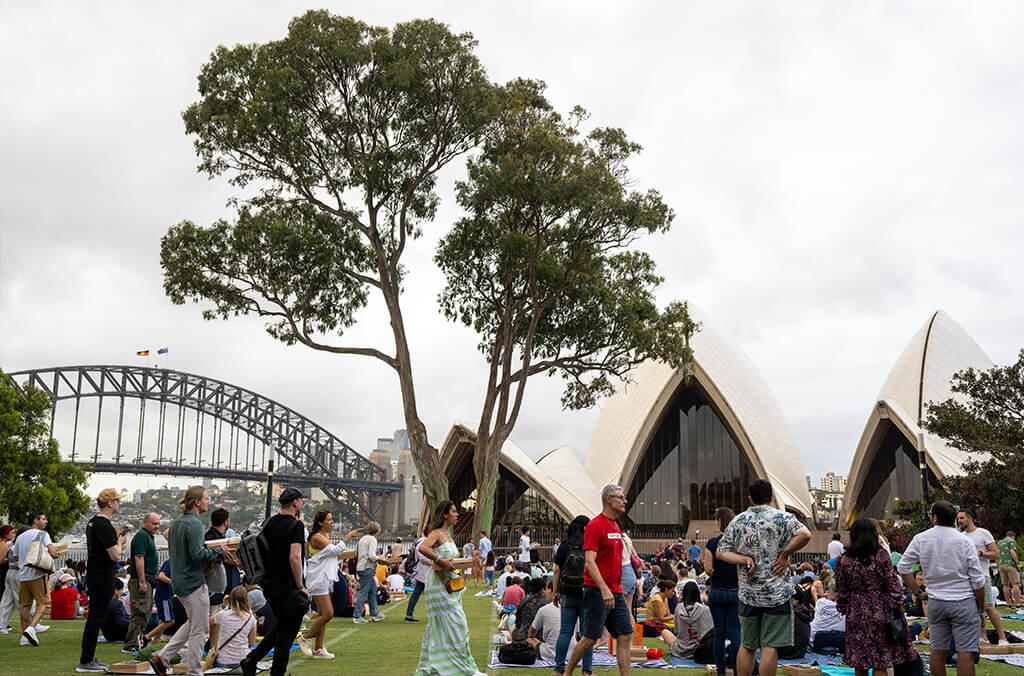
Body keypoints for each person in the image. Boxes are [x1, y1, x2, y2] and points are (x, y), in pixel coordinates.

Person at [716, 479, 812, 676]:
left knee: (747, 644)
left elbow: (721, 552)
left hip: (748, 593)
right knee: (770, 646)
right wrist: (785, 554)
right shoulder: (783, 518)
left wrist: (743, 559)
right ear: (771, 497)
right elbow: (805, 534)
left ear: (750, 498)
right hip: (776, 593)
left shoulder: (739, 521)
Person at [149, 486, 233, 676]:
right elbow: (197, 554)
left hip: (179, 582)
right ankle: (195, 671)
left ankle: (162, 658)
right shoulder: (195, 524)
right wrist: (219, 552)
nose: (208, 501)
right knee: (200, 630)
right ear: (197, 502)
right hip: (194, 582)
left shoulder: (176, 524)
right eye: (206, 498)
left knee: (193, 624)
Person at [898, 500, 987, 676]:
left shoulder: (921, 538)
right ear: (954, 518)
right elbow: (977, 580)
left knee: (938, 651)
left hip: (936, 600)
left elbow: (903, 567)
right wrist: (981, 608)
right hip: (963, 600)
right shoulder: (964, 541)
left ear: (934, 517)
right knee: (966, 652)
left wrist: (918, 592)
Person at [238, 487, 309, 676]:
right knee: (287, 634)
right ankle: (274, 671)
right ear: (295, 503)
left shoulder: (269, 523)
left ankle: (252, 659)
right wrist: (300, 586)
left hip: (270, 584)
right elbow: (295, 557)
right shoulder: (296, 526)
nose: (301, 504)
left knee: (282, 627)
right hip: (288, 585)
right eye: (301, 501)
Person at [565, 484, 634, 676]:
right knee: (590, 638)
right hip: (597, 591)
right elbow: (589, 561)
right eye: (620, 497)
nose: (624, 501)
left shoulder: (615, 525)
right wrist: (604, 589)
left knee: (625, 634)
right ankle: (567, 673)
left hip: (616, 591)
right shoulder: (596, 525)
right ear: (609, 499)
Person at [834, 518, 916, 675]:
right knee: (880, 661)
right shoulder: (881, 556)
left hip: (856, 611)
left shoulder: (843, 560)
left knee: (860, 662)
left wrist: (845, 607)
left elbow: (841, 589)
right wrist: (897, 606)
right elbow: (893, 585)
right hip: (880, 609)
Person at [414, 500, 485, 676]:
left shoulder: (449, 535)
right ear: (445, 514)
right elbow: (422, 548)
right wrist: (439, 560)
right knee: (455, 624)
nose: (457, 514)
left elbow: (453, 562)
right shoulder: (436, 533)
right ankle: (462, 668)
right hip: (438, 585)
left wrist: (473, 562)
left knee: (452, 625)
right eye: (454, 511)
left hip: (450, 584)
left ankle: (452, 666)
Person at [78, 489, 128, 672]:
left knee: (95, 617)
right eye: (117, 501)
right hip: (102, 575)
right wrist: (121, 542)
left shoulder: (92, 523)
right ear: (110, 503)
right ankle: (86, 660)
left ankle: (88, 657)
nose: (119, 504)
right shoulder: (103, 524)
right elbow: (115, 555)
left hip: (95, 574)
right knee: (95, 618)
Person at [299, 510, 360, 659]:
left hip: (325, 578)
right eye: (329, 519)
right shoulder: (317, 537)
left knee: (322, 615)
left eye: (332, 519)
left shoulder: (323, 537)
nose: (332, 522)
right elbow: (335, 550)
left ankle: (318, 649)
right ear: (320, 522)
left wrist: (355, 553)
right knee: (328, 613)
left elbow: (334, 555)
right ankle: (305, 638)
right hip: (318, 579)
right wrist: (348, 537)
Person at [957, 509, 1008, 645]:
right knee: (975, 608)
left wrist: (979, 553)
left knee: (988, 607)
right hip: (967, 577)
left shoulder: (983, 533)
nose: (959, 521)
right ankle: (982, 636)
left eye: (962, 518)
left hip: (982, 575)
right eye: (958, 518)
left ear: (969, 518)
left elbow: (996, 554)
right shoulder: (960, 536)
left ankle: (1002, 637)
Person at [553, 515, 593, 676]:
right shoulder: (589, 546)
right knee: (587, 635)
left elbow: (556, 570)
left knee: (565, 632)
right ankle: (587, 670)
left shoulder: (563, 547)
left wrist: (556, 592)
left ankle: (559, 669)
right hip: (587, 592)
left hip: (567, 593)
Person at [13, 512, 60, 647]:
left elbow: (15, 558)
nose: (46, 521)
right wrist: (57, 555)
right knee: (44, 602)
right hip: (37, 574)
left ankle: (24, 636)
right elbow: (52, 552)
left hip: (23, 575)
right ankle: (31, 628)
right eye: (43, 519)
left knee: (25, 605)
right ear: (36, 520)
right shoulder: (42, 535)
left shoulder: (20, 537)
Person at [704, 506, 740, 675]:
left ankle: (720, 671)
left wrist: (717, 572)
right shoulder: (740, 542)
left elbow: (708, 569)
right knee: (735, 632)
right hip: (736, 591)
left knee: (719, 633)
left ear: (719, 521)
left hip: (717, 590)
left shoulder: (712, 543)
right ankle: (738, 668)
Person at [125, 512, 160, 652]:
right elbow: (139, 558)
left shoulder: (148, 537)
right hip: (141, 579)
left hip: (148, 578)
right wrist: (142, 580)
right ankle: (131, 644)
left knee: (145, 612)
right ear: (145, 522)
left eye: (158, 523)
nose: (157, 526)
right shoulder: (142, 536)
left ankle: (137, 641)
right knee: (140, 612)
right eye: (154, 523)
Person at [661, 580, 714, 663]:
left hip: (681, 649)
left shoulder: (678, 608)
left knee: (664, 632)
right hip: (700, 649)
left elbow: (677, 631)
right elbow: (709, 631)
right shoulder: (705, 609)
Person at [207, 586, 256, 670]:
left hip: (223, 662)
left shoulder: (222, 615)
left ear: (230, 599)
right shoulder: (251, 618)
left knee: (215, 625)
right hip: (243, 662)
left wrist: (223, 605)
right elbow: (251, 643)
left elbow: (209, 621)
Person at [353, 521, 385, 624]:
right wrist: (380, 559)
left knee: (372, 590)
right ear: (377, 531)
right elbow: (371, 555)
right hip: (367, 568)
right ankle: (357, 616)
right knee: (364, 591)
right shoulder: (373, 539)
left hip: (361, 567)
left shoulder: (362, 539)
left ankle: (374, 613)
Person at [143, 559, 175, 645]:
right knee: (169, 621)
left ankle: (155, 643)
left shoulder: (172, 562)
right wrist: (173, 582)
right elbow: (161, 576)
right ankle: (146, 637)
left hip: (165, 595)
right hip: (164, 595)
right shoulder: (171, 562)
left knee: (163, 621)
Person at [204, 508, 231, 610]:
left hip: (216, 585)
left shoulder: (214, 536)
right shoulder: (213, 538)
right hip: (213, 585)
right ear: (225, 522)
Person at [809, 583, 846, 655]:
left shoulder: (820, 602)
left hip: (815, 642)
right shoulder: (847, 606)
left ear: (830, 591)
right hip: (840, 643)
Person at [405, 527, 431, 623]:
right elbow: (423, 557)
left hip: (423, 572)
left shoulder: (419, 541)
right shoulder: (422, 543)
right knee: (419, 594)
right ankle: (409, 615)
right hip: (423, 572)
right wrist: (434, 561)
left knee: (416, 593)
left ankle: (409, 614)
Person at [0, 524, 18, 634]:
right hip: (3, 572)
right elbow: (1, 560)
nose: (13, 535)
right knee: (4, 598)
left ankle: (4, 622)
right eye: (12, 533)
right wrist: (10, 559)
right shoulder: (4, 545)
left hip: (4, 573)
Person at [997, 530, 1021, 610]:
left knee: (1005, 585)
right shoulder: (1011, 541)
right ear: (1013, 536)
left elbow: (998, 553)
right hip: (1010, 564)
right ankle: (1017, 604)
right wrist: (1017, 562)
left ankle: (1008, 603)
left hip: (1001, 565)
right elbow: (1012, 551)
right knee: (1016, 584)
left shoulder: (1000, 542)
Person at [621, 531, 639, 623]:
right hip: (630, 571)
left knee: (617, 609)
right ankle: (633, 636)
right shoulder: (626, 537)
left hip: (622, 572)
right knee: (628, 610)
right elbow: (635, 555)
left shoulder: (615, 538)